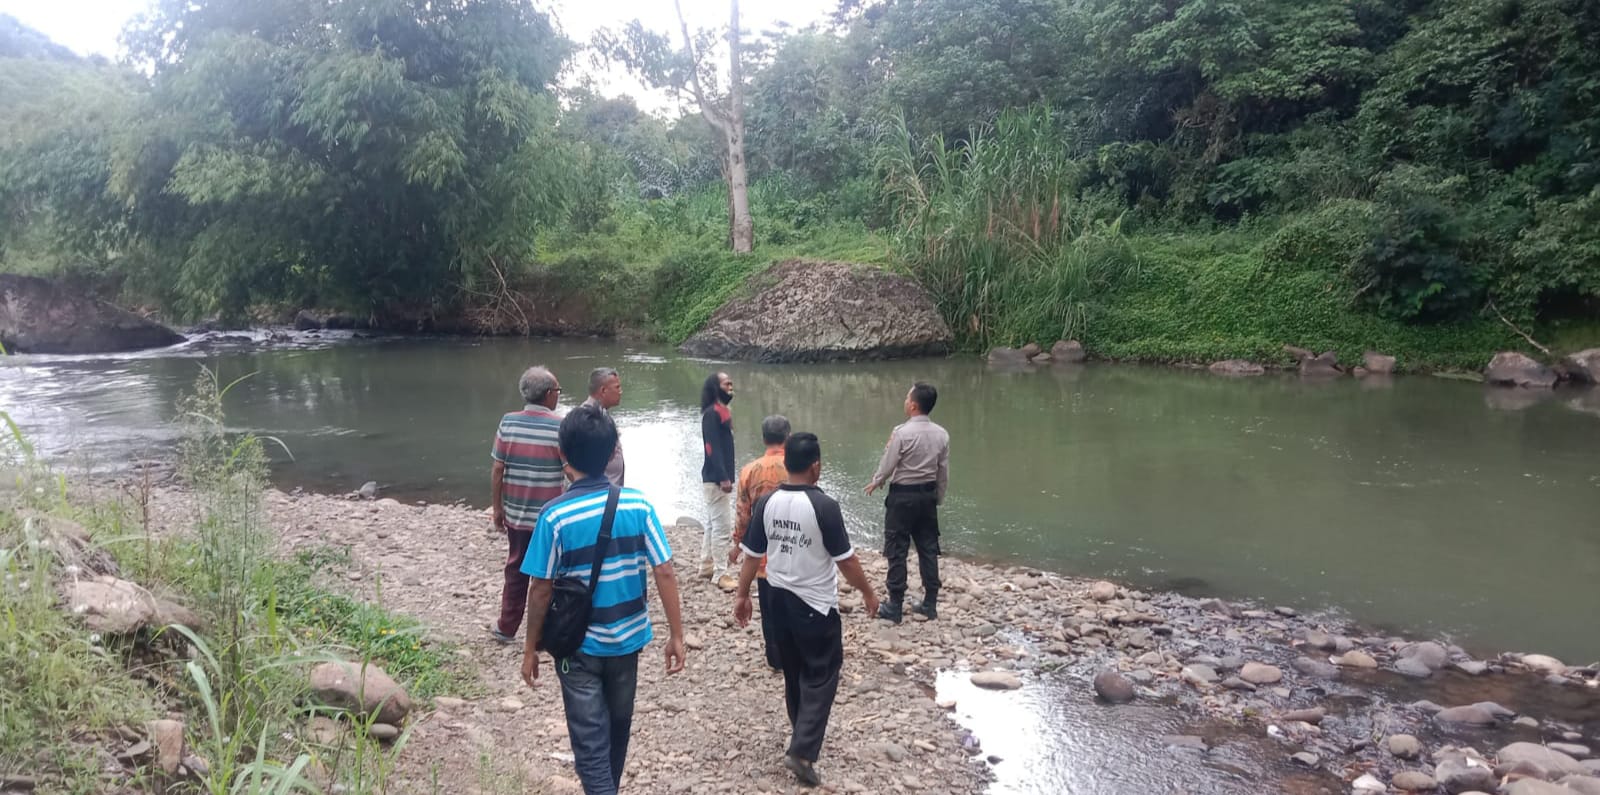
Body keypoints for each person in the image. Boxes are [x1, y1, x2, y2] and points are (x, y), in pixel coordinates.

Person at [519, 404, 687, 795]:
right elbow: (664, 570)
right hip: (627, 642)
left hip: (577, 647)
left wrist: (530, 647)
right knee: (617, 729)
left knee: (589, 743)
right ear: (613, 453)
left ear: (563, 454)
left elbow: (540, 588)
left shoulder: (554, 516)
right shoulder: (638, 504)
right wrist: (676, 635)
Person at [734, 432, 880, 788]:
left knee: (794, 671)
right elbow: (846, 561)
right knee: (823, 671)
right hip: (813, 603)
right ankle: (801, 751)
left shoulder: (768, 502)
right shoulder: (824, 506)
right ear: (816, 466)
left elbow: (752, 554)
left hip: (776, 599)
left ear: (788, 464)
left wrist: (742, 595)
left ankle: (801, 733)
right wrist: (868, 592)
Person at [488, 366, 565, 643]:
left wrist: (498, 508)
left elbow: (498, 469)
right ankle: (545, 631)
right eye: (557, 391)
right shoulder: (560, 426)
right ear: (547, 395)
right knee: (549, 575)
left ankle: (506, 627)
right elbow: (569, 470)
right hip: (550, 518)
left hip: (517, 515)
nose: (558, 396)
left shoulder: (508, 422)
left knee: (516, 569)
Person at [864, 382, 949, 624]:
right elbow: (943, 471)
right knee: (928, 549)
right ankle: (930, 603)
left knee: (897, 548)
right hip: (927, 497)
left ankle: (895, 605)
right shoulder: (942, 434)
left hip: (902, 497)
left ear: (912, 405)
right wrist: (938, 496)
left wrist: (877, 480)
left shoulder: (902, 433)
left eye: (906, 397)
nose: (904, 401)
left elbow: (889, 463)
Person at [729, 414, 793, 669]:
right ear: (788, 437)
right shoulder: (797, 466)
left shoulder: (749, 471)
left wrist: (737, 544)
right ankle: (796, 653)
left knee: (769, 607)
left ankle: (775, 658)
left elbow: (743, 513)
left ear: (764, 438)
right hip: (793, 545)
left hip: (763, 551)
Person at [699, 371, 736, 582]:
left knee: (713, 523)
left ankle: (707, 564)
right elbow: (711, 447)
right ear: (715, 388)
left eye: (731, 383)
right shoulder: (712, 414)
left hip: (715, 478)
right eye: (726, 384)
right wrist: (723, 477)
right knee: (722, 527)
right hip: (715, 479)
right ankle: (721, 573)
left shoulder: (721, 411)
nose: (730, 387)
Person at [583, 367, 626, 487]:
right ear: (603, 390)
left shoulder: (601, 414)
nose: (620, 391)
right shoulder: (587, 418)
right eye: (617, 387)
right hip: (599, 494)